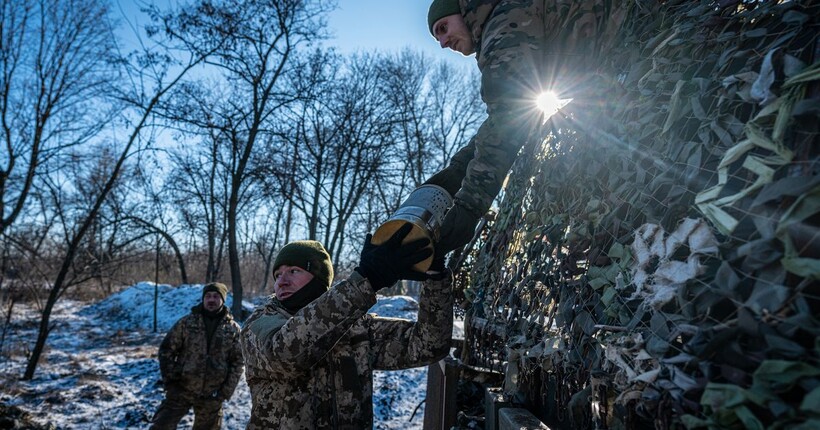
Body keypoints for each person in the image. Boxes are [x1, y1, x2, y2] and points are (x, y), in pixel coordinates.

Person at [424, 0, 626, 255]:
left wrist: (467, 209)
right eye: (436, 38)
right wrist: (457, 170)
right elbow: (504, 121)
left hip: (638, 26)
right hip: (625, 42)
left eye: (443, 28)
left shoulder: (502, 23)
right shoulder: (503, 14)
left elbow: (509, 121)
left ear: (462, 12)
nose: (443, 43)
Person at [240, 223, 454, 428]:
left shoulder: (356, 329)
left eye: (293, 271)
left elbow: (428, 345)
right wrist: (366, 281)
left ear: (319, 278)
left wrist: (435, 278)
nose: (281, 281)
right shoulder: (259, 323)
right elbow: (285, 354)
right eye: (278, 275)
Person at [151, 282, 244, 430]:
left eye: (215, 296)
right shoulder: (187, 323)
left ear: (223, 300)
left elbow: (238, 362)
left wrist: (224, 392)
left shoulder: (232, 329)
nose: (211, 300)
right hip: (182, 388)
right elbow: (166, 350)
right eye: (208, 296)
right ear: (203, 299)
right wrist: (171, 381)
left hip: (212, 394)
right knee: (161, 425)